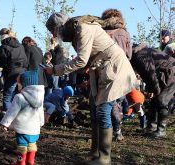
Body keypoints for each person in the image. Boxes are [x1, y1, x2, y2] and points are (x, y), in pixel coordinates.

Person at [44, 13, 137, 164]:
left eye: (53, 31)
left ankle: (104, 157)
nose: (53, 35)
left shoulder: (83, 28)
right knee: (95, 109)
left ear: (59, 27)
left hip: (113, 69)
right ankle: (95, 153)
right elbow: (87, 58)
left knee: (102, 111)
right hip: (102, 70)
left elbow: (81, 60)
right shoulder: (77, 30)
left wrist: (55, 70)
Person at [101, 8, 133, 141]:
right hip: (123, 71)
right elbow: (129, 55)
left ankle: (106, 132)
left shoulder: (102, 32)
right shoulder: (125, 33)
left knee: (106, 103)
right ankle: (118, 131)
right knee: (118, 102)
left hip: (105, 71)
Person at [0, 70, 44, 165]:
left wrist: (5, 123)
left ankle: (21, 162)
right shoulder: (40, 97)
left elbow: (11, 112)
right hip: (35, 129)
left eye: (18, 83)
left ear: (25, 85)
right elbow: (41, 112)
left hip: (23, 129)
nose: (17, 85)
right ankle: (30, 161)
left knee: (22, 146)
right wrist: (41, 123)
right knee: (32, 144)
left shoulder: (19, 97)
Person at [131, 43, 175, 138]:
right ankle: (151, 127)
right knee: (155, 101)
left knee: (161, 101)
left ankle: (161, 130)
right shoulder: (139, 54)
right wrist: (152, 90)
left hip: (171, 74)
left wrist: (155, 90)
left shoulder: (140, 56)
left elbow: (151, 75)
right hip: (163, 74)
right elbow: (148, 75)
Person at [0, 28, 27, 113]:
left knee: (7, 95)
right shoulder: (20, 46)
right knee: (17, 95)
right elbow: (25, 60)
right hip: (21, 72)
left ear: (1, 36)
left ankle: (7, 116)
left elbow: (3, 61)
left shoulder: (3, 46)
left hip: (11, 72)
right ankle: (17, 114)